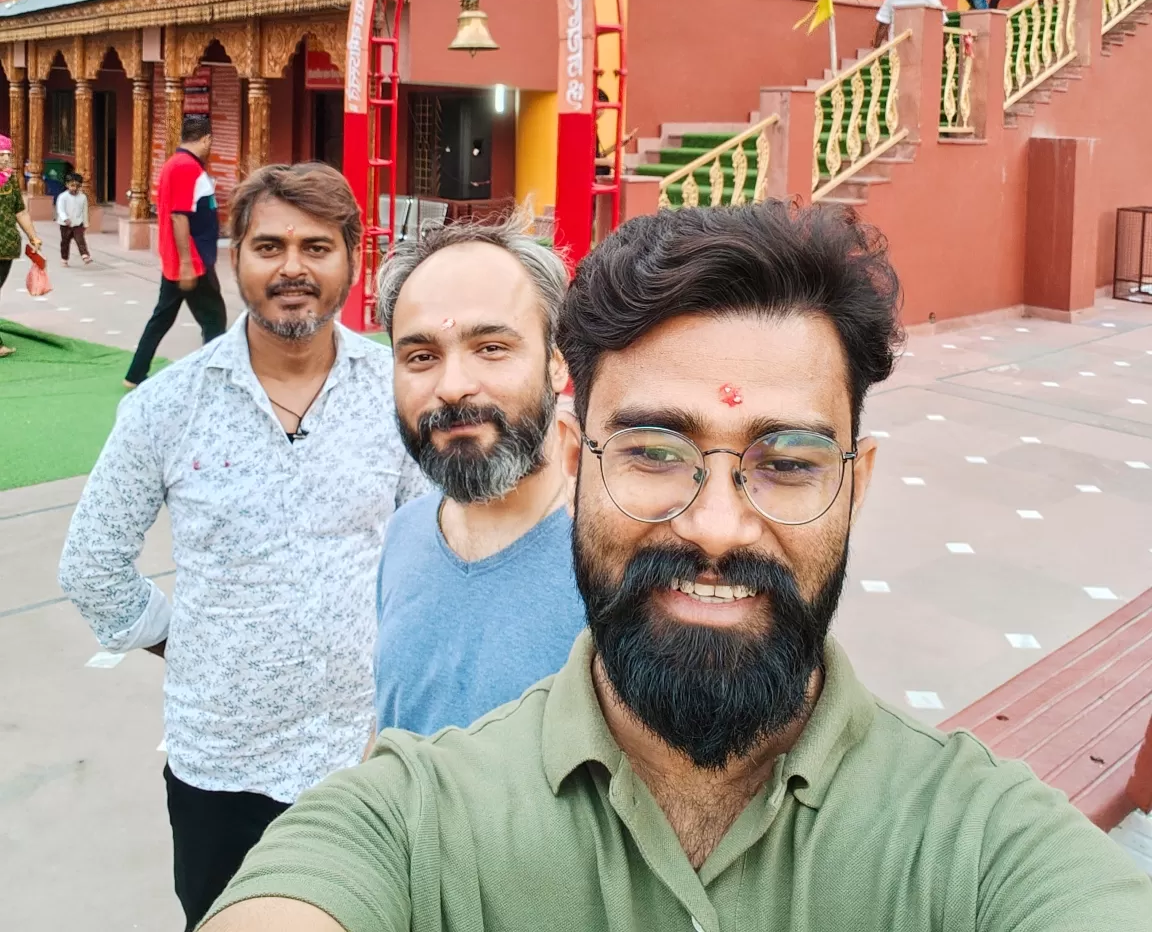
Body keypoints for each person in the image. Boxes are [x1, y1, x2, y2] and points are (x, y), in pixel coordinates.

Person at [202, 203, 1152, 932]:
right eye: (654, 451)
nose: (717, 527)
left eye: (787, 464)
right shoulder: (421, 816)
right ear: (574, 459)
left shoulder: (975, 842)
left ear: (858, 485)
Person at [59, 162, 427, 932]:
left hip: (362, 758)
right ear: (236, 258)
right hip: (218, 762)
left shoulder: (396, 395)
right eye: (270, 246)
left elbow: (427, 549)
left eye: (317, 246)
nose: (293, 267)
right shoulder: (169, 405)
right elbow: (91, 563)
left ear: (352, 258)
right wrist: (180, 638)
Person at [373, 214, 585, 737]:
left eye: (491, 348)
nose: (453, 386)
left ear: (557, 364)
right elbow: (392, 733)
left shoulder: (619, 562)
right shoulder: (406, 534)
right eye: (421, 356)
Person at [124, 115, 227, 387]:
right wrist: (185, 263)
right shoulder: (185, 167)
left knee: (163, 317)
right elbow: (179, 216)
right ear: (206, 139)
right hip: (192, 260)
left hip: (186, 259)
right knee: (214, 319)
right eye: (210, 141)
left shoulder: (177, 164)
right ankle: (214, 378)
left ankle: (135, 373)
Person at [0, 132, 44, 359]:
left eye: (8, 154)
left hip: (6, 247)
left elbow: (20, 210)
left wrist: (32, 236)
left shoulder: (9, 181)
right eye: (2, 154)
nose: (6, 158)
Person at [57, 171, 92, 266]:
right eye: (72, 185)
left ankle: (85, 255)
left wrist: (85, 223)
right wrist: (65, 218)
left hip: (78, 223)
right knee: (65, 242)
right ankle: (64, 259)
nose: (75, 188)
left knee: (80, 239)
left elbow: (84, 211)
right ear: (67, 185)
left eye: (77, 186)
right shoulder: (63, 197)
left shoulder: (83, 197)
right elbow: (60, 209)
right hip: (65, 225)